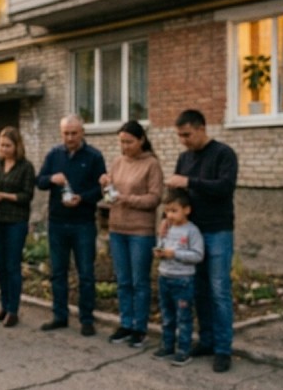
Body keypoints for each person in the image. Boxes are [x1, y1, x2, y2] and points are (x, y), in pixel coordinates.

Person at [164, 109, 238, 373]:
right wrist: (168, 218)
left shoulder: (223, 153)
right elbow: (176, 195)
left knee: (219, 290)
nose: (183, 140)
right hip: (190, 232)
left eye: (186, 135)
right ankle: (206, 340)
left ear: (201, 128)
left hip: (218, 231)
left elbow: (225, 187)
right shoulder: (184, 158)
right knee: (199, 289)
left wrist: (190, 181)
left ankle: (222, 349)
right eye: (180, 135)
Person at [36, 114, 106, 336]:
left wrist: (82, 198)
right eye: (66, 133)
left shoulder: (94, 156)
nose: (70, 137)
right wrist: (50, 180)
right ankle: (60, 316)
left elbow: (100, 189)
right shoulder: (54, 155)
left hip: (83, 223)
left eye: (74, 133)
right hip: (57, 223)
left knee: (85, 273)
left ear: (82, 132)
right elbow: (40, 181)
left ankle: (86, 319)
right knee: (58, 272)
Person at [99, 121, 163, 348]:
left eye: (128, 142)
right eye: (121, 142)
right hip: (117, 228)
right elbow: (110, 196)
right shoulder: (117, 162)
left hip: (140, 232)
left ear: (141, 140)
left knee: (139, 281)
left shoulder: (151, 164)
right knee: (123, 281)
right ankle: (125, 323)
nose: (124, 146)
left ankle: (140, 328)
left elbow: (155, 198)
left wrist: (127, 199)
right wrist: (105, 185)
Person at [0, 127, 35, 328]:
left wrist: (3, 195)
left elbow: (26, 196)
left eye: (7, 145)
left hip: (16, 221)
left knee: (13, 266)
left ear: (16, 146)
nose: (3, 149)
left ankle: (13, 310)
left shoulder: (25, 166)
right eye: (1, 145)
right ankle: (4, 306)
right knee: (1, 265)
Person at [153, 188, 205, 367]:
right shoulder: (166, 228)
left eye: (174, 211)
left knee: (183, 317)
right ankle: (167, 345)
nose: (169, 215)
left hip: (183, 280)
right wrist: (159, 250)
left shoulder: (192, 231)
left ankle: (183, 350)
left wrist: (174, 253)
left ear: (187, 210)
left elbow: (198, 255)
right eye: (167, 211)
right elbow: (161, 245)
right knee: (167, 316)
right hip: (164, 277)